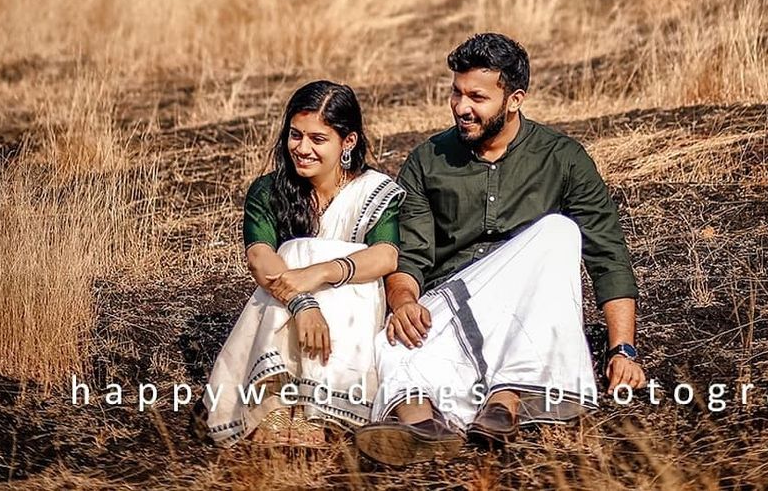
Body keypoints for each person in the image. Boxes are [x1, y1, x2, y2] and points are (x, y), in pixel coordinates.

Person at [354, 33, 645, 467]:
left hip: (521, 308)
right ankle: (422, 428)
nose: (461, 106)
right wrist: (404, 302)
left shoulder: (561, 158)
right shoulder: (427, 160)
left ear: (514, 99)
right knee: (396, 345)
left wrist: (623, 348)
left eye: (477, 96)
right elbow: (410, 253)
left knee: (560, 233)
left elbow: (607, 255)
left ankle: (502, 404)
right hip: (450, 299)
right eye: (456, 92)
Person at [204, 80, 405, 446]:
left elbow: (385, 255)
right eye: (295, 135)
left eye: (318, 139)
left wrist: (320, 272)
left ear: (348, 142)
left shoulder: (374, 190)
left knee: (306, 254)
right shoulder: (269, 191)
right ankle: (278, 404)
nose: (302, 148)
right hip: (289, 302)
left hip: (351, 307)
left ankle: (320, 409)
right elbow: (259, 257)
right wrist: (302, 300)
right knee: (293, 252)